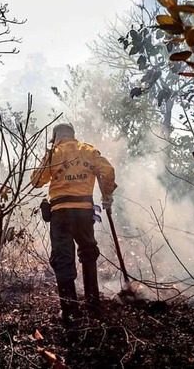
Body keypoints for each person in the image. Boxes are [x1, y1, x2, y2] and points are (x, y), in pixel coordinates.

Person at [31, 123, 117, 323]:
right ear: (72, 135)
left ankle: (70, 310)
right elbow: (108, 171)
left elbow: (35, 181)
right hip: (84, 212)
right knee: (88, 252)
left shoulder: (54, 154)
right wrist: (107, 195)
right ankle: (93, 303)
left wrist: (47, 159)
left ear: (56, 137)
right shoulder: (88, 151)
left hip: (60, 213)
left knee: (63, 258)